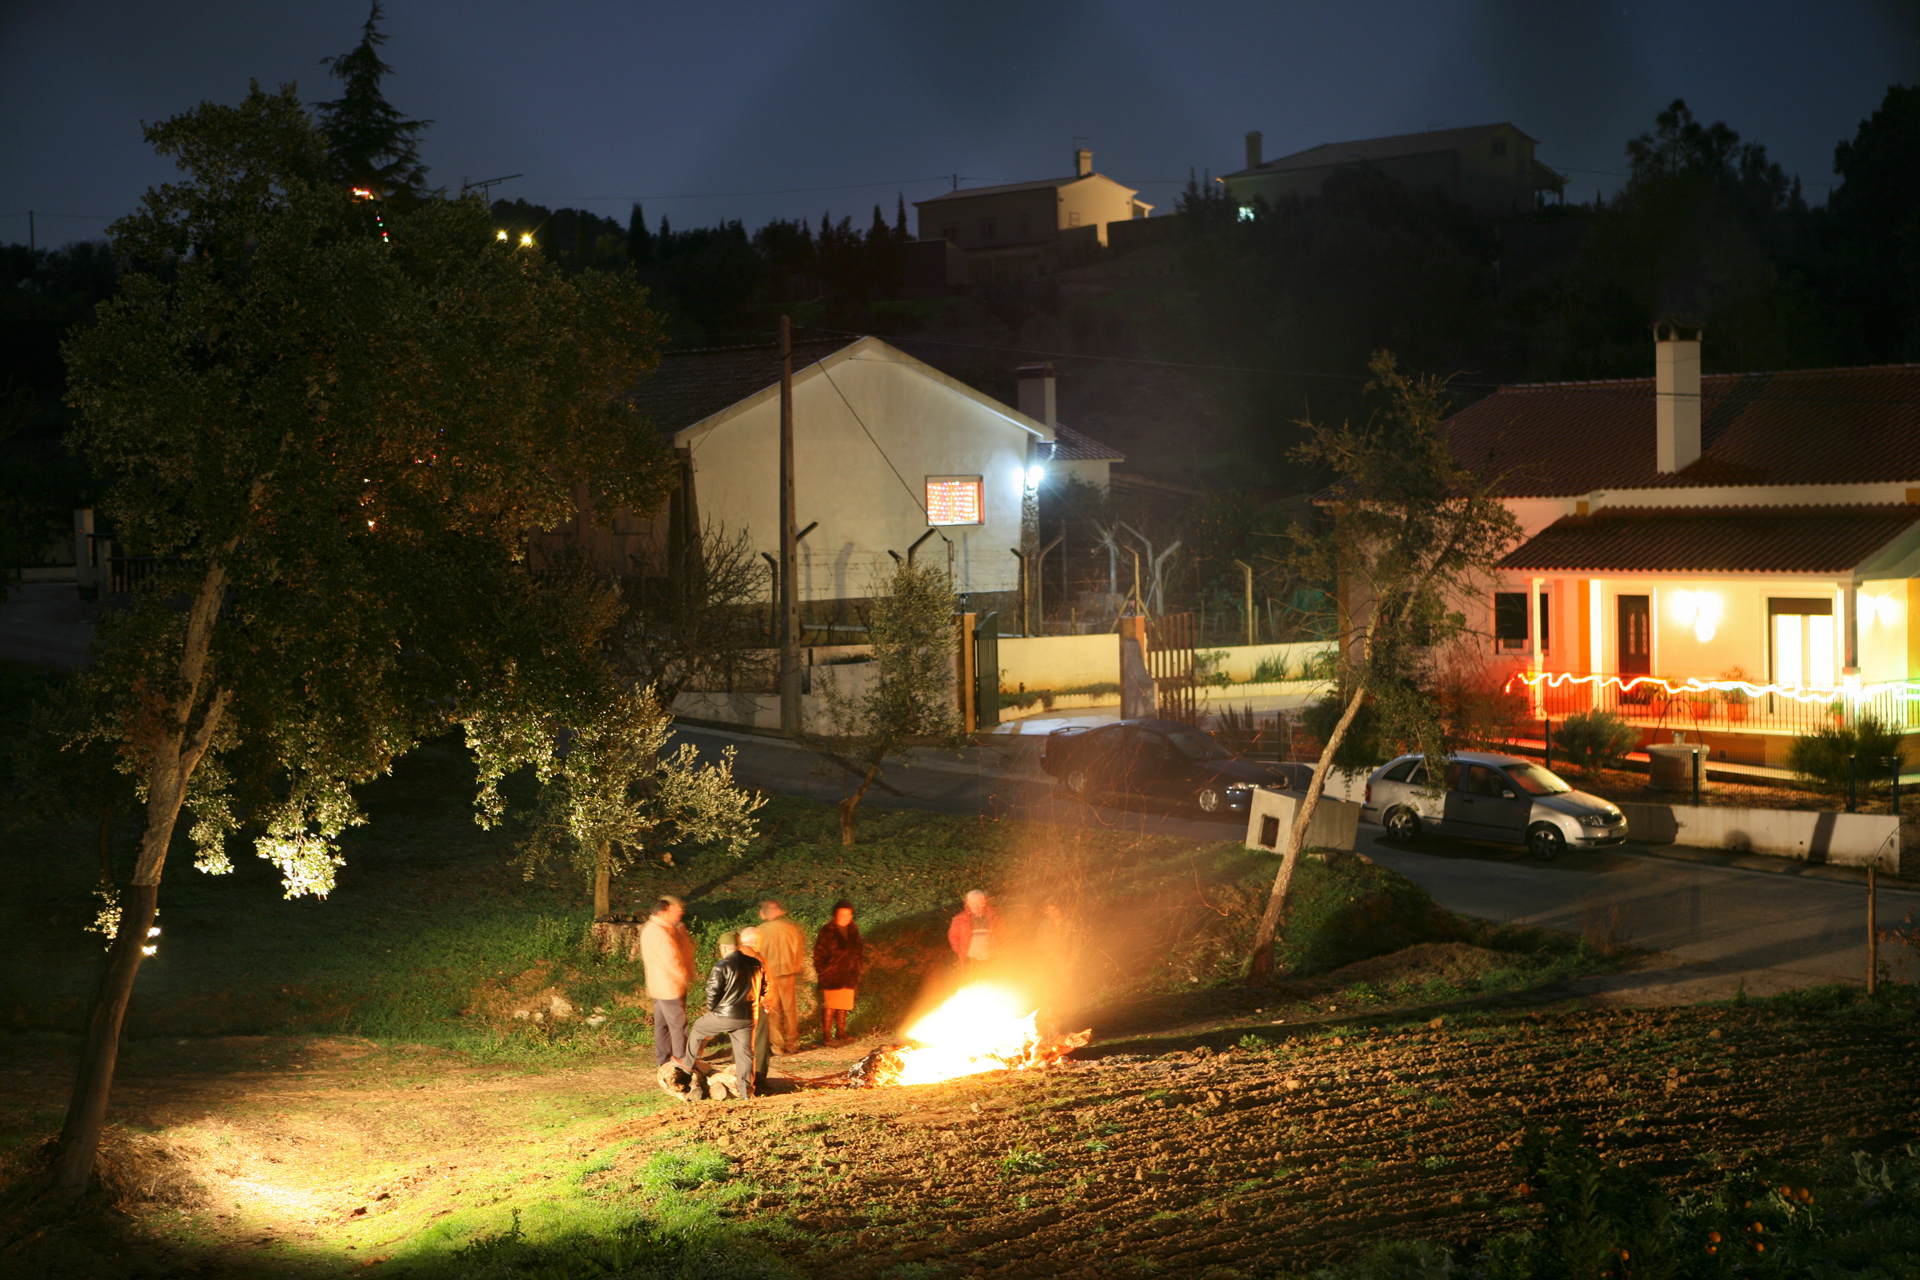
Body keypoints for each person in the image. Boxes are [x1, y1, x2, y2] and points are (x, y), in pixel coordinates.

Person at [688, 925, 764, 1100]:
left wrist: (714, 1009)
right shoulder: (756, 963)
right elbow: (764, 988)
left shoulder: (721, 966)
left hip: (725, 1014)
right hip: (749, 1016)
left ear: (723, 949)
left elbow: (712, 992)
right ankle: (747, 1092)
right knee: (745, 1053)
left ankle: (688, 1067)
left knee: (699, 1027)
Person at [640, 895, 696, 1072]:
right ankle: (681, 1060)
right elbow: (671, 961)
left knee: (662, 1025)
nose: (680, 912)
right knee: (678, 1025)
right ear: (663, 912)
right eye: (675, 910)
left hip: (657, 986)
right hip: (670, 987)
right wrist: (684, 976)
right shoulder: (661, 933)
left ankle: (662, 1058)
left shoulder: (650, 929)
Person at [756, 900, 807, 1054]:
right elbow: (799, 951)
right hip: (787, 973)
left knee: (772, 1010)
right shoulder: (790, 929)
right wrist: (795, 967)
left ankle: (777, 1046)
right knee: (790, 1009)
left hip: (768, 975)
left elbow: (756, 955)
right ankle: (793, 1043)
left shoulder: (759, 931)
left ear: (763, 913)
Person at [812, 899, 864, 1044]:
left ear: (851, 916)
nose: (844, 918)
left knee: (844, 1005)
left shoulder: (853, 930)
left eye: (847, 915)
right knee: (830, 1005)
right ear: (835, 915)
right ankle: (827, 1036)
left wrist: (858, 967)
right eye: (841, 915)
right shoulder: (827, 931)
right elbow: (818, 953)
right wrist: (823, 970)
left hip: (849, 974)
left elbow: (859, 950)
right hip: (831, 975)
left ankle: (841, 1032)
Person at [948, 889, 1000, 967]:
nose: (976, 906)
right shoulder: (960, 919)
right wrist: (963, 952)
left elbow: (1002, 934)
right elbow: (953, 938)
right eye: (973, 903)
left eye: (979, 903)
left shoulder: (993, 917)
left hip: (991, 959)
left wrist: (994, 950)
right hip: (969, 961)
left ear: (984, 902)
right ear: (967, 903)